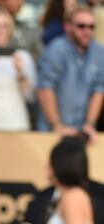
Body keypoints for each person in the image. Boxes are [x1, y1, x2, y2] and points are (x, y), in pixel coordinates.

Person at [37, 6, 104, 139]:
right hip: (53, 131)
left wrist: (89, 124)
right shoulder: (56, 49)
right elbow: (45, 88)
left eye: (91, 27)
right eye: (81, 26)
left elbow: (98, 89)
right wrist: (57, 125)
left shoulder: (98, 51)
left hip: (81, 132)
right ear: (67, 26)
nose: (87, 31)